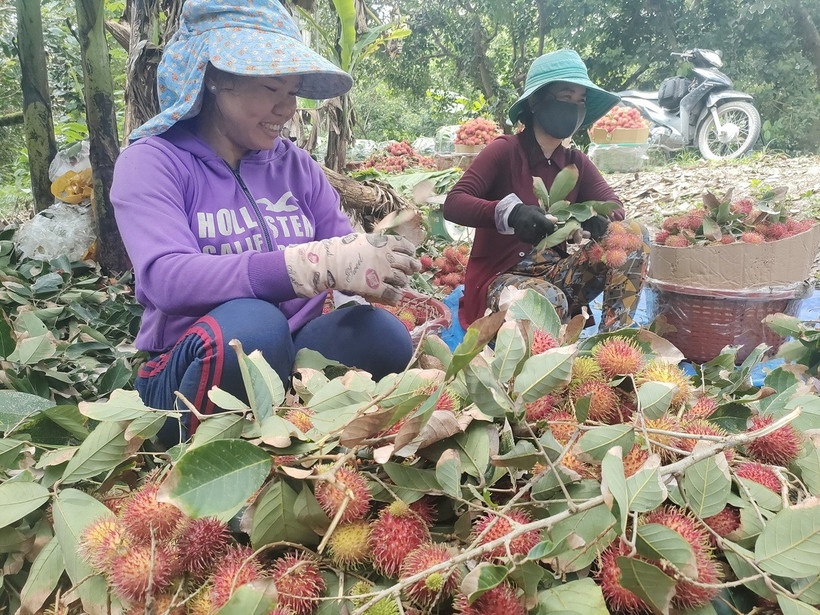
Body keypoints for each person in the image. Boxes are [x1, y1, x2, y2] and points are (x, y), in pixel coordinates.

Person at [111, 0, 419, 444]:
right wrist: (303, 266)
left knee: (381, 335)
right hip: (191, 364)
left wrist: (370, 265)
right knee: (253, 329)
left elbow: (339, 248)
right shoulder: (153, 162)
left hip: (292, 355)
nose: (287, 108)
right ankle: (201, 465)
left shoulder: (296, 167)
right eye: (272, 89)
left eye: (292, 92)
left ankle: (292, 434)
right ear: (214, 79)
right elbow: (166, 278)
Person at [443, 49, 650, 333]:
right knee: (549, 302)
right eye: (566, 97)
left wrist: (590, 217)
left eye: (580, 101)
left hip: (555, 273)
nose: (574, 107)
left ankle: (613, 339)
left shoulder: (575, 162)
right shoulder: (505, 151)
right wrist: (510, 213)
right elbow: (454, 203)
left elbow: (613, 205)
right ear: (536, 102)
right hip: (503, 279)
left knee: (633, 233)